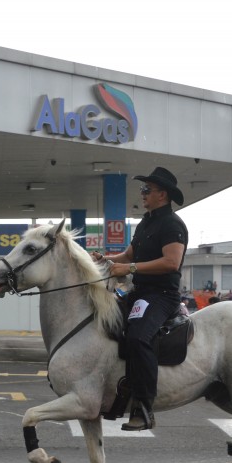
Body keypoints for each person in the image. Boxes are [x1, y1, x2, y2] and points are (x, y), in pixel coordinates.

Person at [89, 167, 188, 431]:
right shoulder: (146, 222)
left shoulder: (173, 224)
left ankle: (143, 407)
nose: (142, 194)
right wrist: (107, 260)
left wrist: (130, 269)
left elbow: (171, 262)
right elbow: (129, 255)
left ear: (162, 194)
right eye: (142, 189)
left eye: (147, 190)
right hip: (139, 293)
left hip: (162, 295)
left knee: (137, 337)